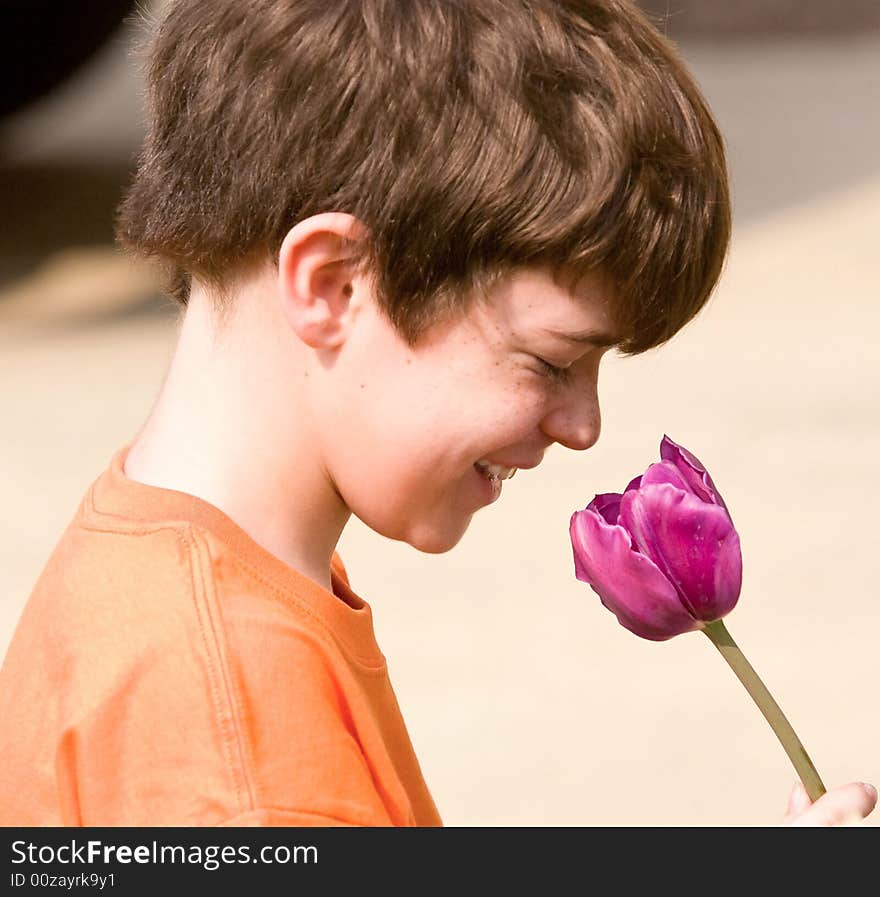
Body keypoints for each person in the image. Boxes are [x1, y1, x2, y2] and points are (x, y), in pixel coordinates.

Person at [0, 0, 874, 827]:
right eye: (551, 361)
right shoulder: (239, 750)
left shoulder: (154, 579)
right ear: (335, 285)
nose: (583, 427)